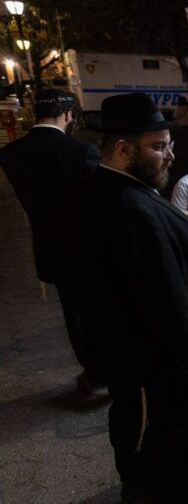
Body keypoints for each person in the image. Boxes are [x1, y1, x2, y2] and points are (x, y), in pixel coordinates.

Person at [78, 93, 188, 502]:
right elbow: (163, 298)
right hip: (152, 365)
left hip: (161, 362)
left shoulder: (129, 189)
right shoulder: (124, 206)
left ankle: (175, 481)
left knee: (171, 435)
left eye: (170, 144)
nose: (170, 155)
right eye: (159, 147)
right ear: (123, 149)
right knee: (153, 438)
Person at [0, 89, 100, 390]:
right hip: (89, 247)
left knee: (73, 311)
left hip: (49, 247)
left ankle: (91, 370)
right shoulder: (82, 152)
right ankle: (109, 367)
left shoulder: (11, 153)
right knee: (100, 310)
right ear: (68, 115)